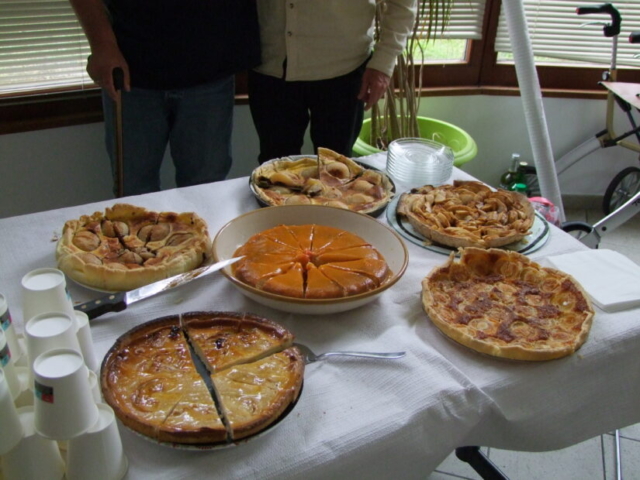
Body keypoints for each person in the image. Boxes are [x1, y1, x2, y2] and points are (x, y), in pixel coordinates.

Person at [69, 0, 261, 196]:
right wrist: (102, 45)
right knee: (133, 192)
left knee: (206, 190)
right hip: (131, 70)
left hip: (210, 67)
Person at [248, 0, 417, 164]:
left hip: (344, 72)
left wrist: (384, 62)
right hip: (271, 68)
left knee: (336, 168)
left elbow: (403, 3)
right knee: (273, 168)